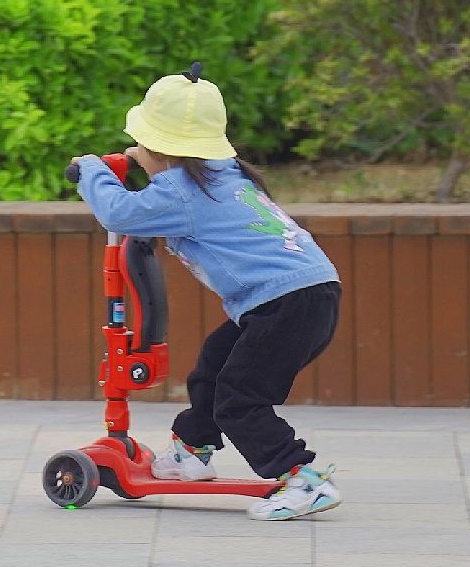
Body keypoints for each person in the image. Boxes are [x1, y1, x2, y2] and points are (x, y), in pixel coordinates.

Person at [72, 70, 344, 521]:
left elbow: (119, 211)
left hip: (286, 304)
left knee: (239, 397)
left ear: (159, 148)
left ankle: (304, 479)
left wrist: (92, 171)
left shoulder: (182, 192)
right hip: (304, 295)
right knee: (216, 363)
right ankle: (192, 451)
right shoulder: (226, 176)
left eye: (143, 148)